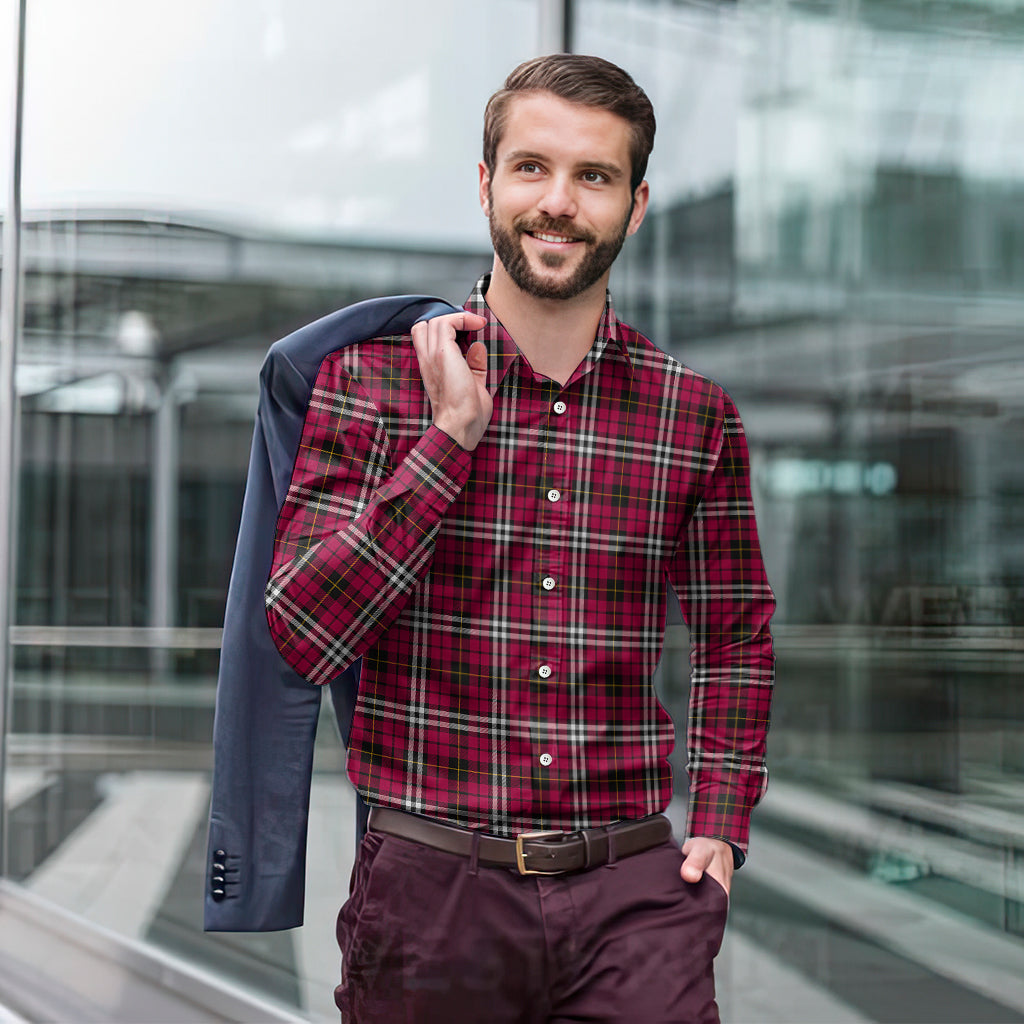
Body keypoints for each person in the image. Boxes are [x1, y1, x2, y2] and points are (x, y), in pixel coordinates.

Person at [265, 53, 775, 1024]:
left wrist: (718, 820)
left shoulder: (692, 417)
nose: (559, 202)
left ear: (636, 203)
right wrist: (449, 440)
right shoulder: (370, 386)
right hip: (431, 895)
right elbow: (303, 633)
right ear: (487, 182)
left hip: (634, 896)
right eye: (532, 167)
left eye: (595, 176)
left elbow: (734, 633)